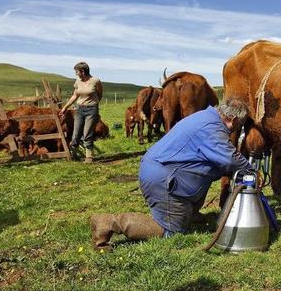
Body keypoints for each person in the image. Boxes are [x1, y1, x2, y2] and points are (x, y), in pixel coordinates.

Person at [89, 98, 250, 250]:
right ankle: (110, 223)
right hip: (163, 178)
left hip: (161, 170)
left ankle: (188, 214)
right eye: (239, 125)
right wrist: (250, 170)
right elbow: (230, 158)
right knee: (171, 233)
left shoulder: (206, 117)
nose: (237, 130)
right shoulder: (212, 129)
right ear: (234, 119)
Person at [59, 62, 103, 163]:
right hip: (79, 109)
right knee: (76, 133)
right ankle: (73, 155)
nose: (76, 73)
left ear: (82, 72)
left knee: (87, 133)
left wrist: (93, 103)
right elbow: (75, 95)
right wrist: (65, 107)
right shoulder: (78, 81)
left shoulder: (95, 81)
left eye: (76, 71)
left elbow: (100, 94)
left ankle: (89, 157)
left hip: (91, 110)